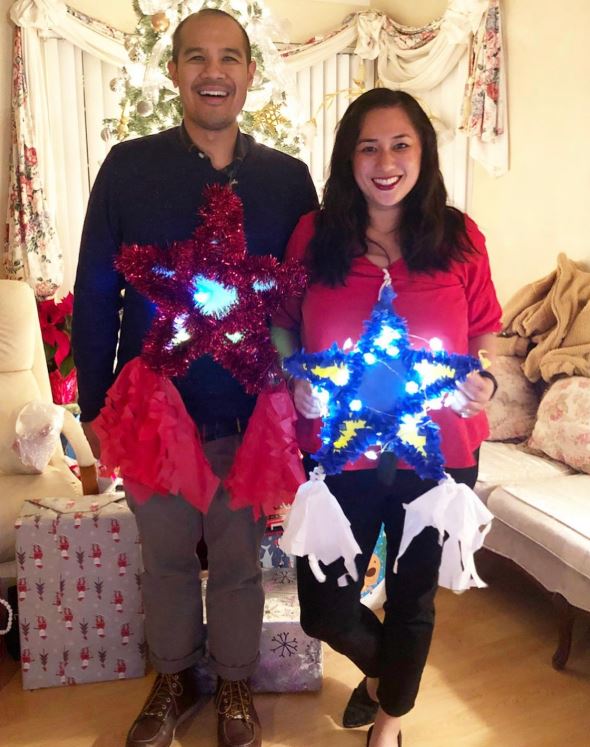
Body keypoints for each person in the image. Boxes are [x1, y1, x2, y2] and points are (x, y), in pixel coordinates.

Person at [72, 10, 317, 747]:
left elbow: (306, 295)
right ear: (174, 70)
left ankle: (235, 679)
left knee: (241, 562)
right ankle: (175, 673)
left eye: (230, 58)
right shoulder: (129, 167)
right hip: (152, 416)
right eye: (198, 58)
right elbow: (93, 291)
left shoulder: (287, 179)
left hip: (248, 414)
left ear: (249, 72)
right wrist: (91, 403)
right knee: (168, 557)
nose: (215, 73)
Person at [272, 87, 501, 747]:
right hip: (340, 450)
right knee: (325, 608)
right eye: (368, 145)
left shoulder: (459, 236)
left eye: (401, 143)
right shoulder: (315, 235)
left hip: (441, 450)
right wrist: (295, 378)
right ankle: (385, 680)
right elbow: (283, 326)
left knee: (413, 598)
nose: (385, 160)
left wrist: (481, 377)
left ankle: (390, 721)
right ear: (349, 157)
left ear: (424, 152)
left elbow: (484, 332)